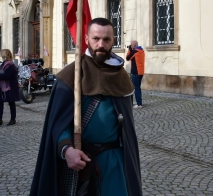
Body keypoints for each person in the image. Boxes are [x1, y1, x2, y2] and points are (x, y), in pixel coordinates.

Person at [30, 18, 142, 196]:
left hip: (114, 161)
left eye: (106, 40)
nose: (101, 44)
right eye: (96, 38)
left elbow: (126, 125)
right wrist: (66, 149)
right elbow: (59, 124)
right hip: (80, 160)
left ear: (113, 41)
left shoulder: (120, 75)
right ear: (86, 39)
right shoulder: (71, 75)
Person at [0, 49, 21, 126]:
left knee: (11, 103)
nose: (0, 55)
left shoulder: (10, 65)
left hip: (9, 86)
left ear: (5, 55)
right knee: (0, 102)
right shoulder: (4, 64)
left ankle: (13, 119)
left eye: (1, 54)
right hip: (2, 87)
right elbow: (2, 73)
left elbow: (6, 76)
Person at [126, 40, 145, 108]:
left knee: (136, 88)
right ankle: (139, 102)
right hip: (141, 72)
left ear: (133, 45)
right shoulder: (141, 50)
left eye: (131, 45)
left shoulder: (135, 51)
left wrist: (129, 50)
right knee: (138, 87)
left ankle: (139, 104)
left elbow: (127, 58)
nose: (130, 46)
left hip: (136, 72)